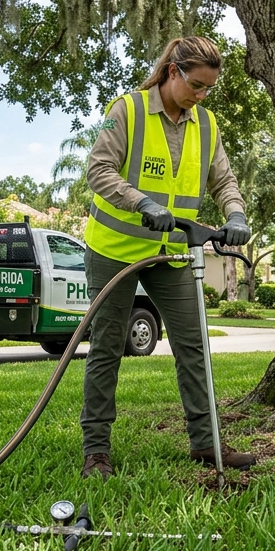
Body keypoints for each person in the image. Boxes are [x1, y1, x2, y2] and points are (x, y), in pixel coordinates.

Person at [79, 35, 256, 479]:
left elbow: (224, 179)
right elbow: (98, 170)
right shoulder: (128, 110)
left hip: (173, 252)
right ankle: (96, 450)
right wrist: (142, 204)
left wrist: (235, 213)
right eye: (196, 85)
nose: (200, 96)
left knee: (193, 346)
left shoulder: (207, 124)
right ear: (173, 72)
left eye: (207, 89)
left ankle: (206, 443)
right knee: (107, 348)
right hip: (115, 249)